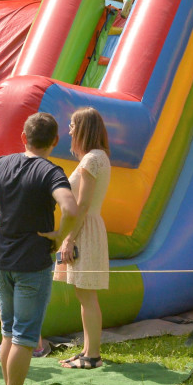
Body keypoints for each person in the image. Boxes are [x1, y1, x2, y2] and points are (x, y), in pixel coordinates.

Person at [0, 112, 80, 385]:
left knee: (9, 333)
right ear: (54, 141)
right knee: (25, 337)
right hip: (33, 265)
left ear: (24, 138)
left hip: (4, 262)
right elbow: (72, 208)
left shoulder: (2, 164)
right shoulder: (51, 172)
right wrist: (58, 234)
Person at [54, 107, 111, 369]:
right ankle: (88, 350)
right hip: (88, 227)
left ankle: (93, 355)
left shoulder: (91, 159)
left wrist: (69, 239)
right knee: (84, 294)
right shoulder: (97, 157)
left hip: (85, 229)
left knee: (87, 296)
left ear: (84, 128)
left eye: (73, 125)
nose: (69, 130)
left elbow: (83, 204)